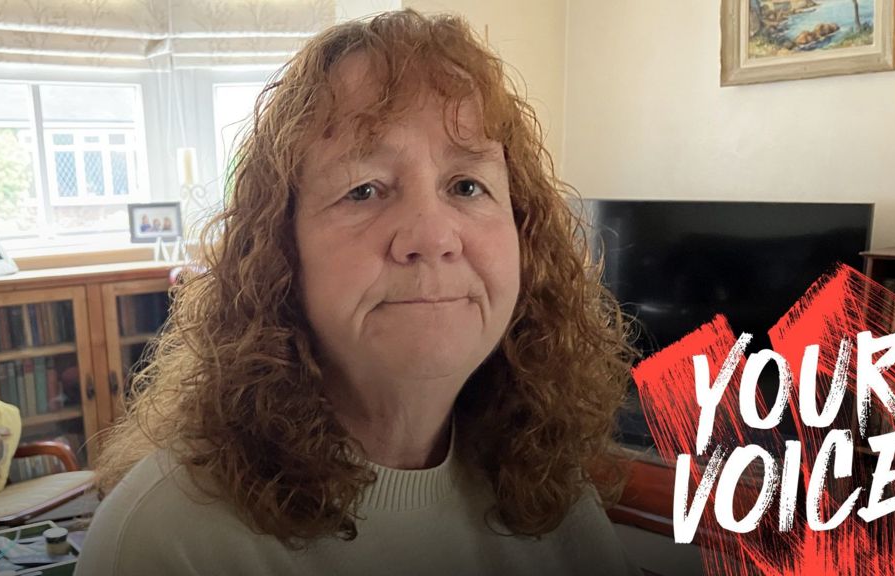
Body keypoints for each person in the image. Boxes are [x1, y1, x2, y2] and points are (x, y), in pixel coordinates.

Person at [77, 9, 636, 576]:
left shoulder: (552, 492)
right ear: (280, 254)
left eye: (467, 185)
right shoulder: (166, 543)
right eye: (363, 189)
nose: (432, 236)